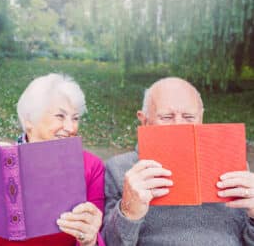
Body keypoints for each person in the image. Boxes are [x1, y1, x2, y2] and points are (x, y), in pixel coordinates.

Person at [0, 73, 105, 246]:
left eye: (75, 118)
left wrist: (90, 240)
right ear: (29, 121)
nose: (71, 128)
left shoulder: (91, 166)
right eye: (60, 116)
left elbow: (96, 237)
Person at [103, 77, 254, 245]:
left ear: (201, 119)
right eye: (167, 117)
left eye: (189, 117)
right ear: (144, 120)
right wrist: (128, 212)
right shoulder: (120, 169)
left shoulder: (231, 165)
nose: (179, 125)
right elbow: (108, 242)